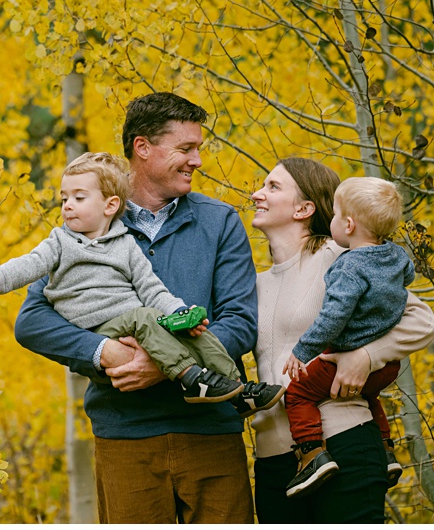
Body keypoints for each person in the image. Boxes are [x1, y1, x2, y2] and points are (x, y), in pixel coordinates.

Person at [13, 93, 260, 523]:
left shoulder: (220, 222)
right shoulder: (85, 224)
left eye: (197, 148)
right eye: (185, 149)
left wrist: (163, 363)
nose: (197, 160)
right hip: (125, 434)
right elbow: (32, 321)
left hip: (212, 434)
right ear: (142, 148)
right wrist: (107, 353)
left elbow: (240, 322)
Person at [0, 151, 284, 411]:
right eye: (64, 197)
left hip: (134, 321)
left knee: (191, 331)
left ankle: (238, 390)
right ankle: (192, 378)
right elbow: (28, 264)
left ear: (109, 206)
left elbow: (151, 288)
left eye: (79, 198)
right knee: (145, 317)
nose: (67, 205)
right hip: (98, 325)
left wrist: (178, 315)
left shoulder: (125, 245)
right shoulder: (59, 242)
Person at [249, 157, 434, 523]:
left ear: (304, 208)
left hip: (343, 443)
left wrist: (366, 356)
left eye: (272, 187)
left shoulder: (342, 259)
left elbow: (422, 321)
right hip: (273, 461)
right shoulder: (255, 284)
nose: (257, 194)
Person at [281, 177, 415, 497]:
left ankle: (313, 454)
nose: (333, 221)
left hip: (342, 360)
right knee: (368, 396)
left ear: (349, 224)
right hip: (387, 365)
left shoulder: (349, 267)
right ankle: (386, 450)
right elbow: (408, 275)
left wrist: (302, 350)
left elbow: (334, 317)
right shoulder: (396, 256)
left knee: (298, 392)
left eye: (337, 215)